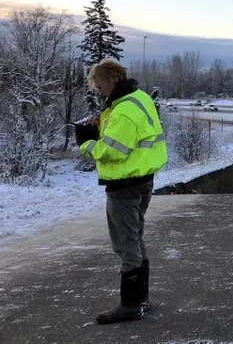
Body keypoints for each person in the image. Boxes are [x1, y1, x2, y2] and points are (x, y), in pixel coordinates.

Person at [76, 59, 167, 325]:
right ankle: (141, 300)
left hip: (125, 185)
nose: (99, 90)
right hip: (141, 179)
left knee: (126, 243)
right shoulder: (137, 97)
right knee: (135, 238)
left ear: (113, 80)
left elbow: (113, 150)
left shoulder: (124, 109)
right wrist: (101, 124)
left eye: (101, 85)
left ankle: (130, 305)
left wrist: (87, 143)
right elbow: (131, 136)